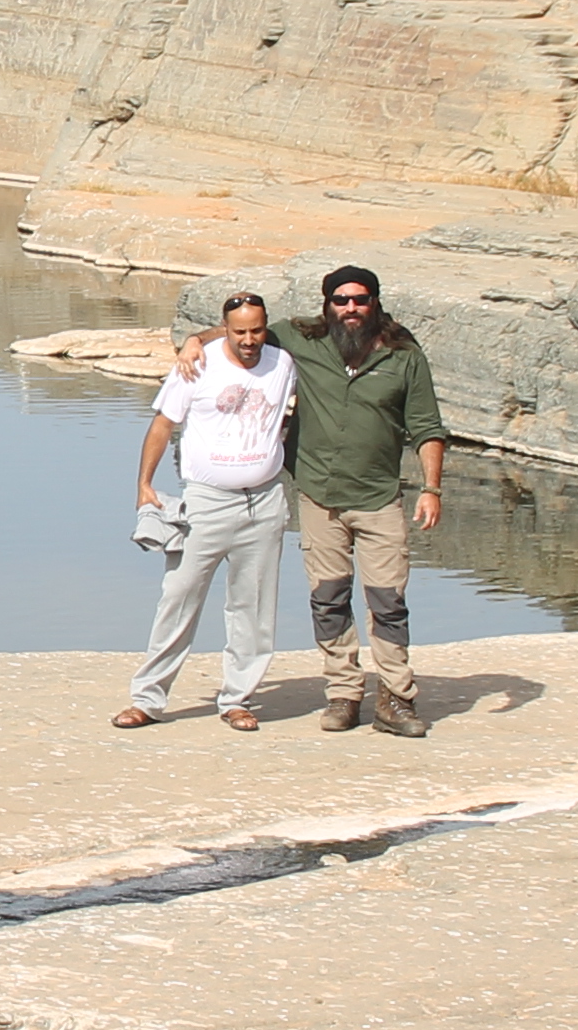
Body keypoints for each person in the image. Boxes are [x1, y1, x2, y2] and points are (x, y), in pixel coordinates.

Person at [114, 288, 296, 733]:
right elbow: (163, 423)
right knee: (178, 597)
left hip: (266, 501)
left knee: (253, 607)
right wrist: (143, 484)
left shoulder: (283, 363)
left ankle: (237, 699)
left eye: (256, 331)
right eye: (239, 332)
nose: (249, 340)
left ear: (266, 328)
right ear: (225, 330)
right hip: (206, 502)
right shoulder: (198, 364)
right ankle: (149, 699)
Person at [288, 265, 447, 736]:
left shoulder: (403, 356)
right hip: (319, 496)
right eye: (341, 300)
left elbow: (427, 427)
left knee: (388, 601)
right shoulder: (302, 341)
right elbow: (243, 333)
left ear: (375, 302)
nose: (351, 308)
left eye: (360, 299)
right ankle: (343, 694)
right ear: (327, 304)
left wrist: (432, 489)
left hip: (379, 497)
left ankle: (396, 698)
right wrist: (198, 341)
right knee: (328, 598)